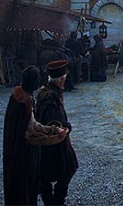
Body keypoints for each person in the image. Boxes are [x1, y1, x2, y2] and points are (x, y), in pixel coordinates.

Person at [3, 66, 67, 205]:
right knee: (29, 183)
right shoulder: (25, 101)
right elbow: (32, 127)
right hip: (25, 150)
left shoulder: (16, 94)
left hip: (14, 147)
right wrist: (53, 130)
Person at [34, 60, 79, 206]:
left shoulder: (46, 92)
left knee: (48, 172)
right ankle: (55, 202)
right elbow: (52, 120)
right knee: (68, 168)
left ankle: (52, 201)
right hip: (54, 140)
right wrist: (66, 126)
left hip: (51, 139)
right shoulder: (50, 96)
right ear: (60, 80)